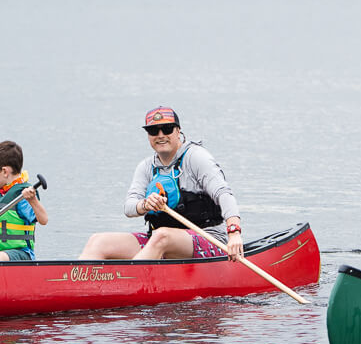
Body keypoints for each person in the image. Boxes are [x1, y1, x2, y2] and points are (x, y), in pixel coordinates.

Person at [77, 106, 245, 261]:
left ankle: (130, 282)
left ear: (178, 131)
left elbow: (224, 194)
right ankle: (78, 288)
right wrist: (145, 204)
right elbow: (129, 207)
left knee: (162, 236)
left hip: (209, 241)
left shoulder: (196, 157)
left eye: (167, 129)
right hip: (159, 242)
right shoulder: (146, 167)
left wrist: (234, 233)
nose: (160, 135)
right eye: (153, 131)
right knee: (98, 241)